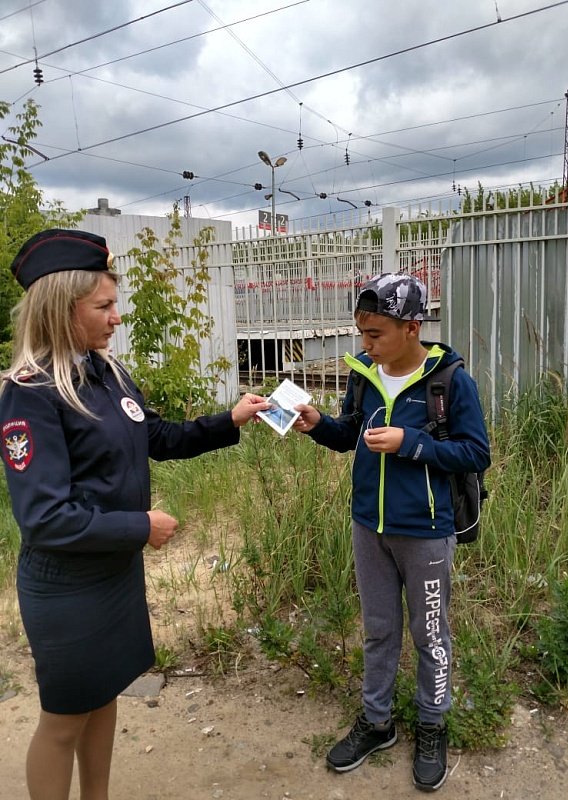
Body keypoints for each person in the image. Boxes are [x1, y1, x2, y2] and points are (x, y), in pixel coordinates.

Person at [0, 228, 270, 800]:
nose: (116, 317)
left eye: (114, 303)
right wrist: (141, 527)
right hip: (67, 586)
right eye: (103, 305)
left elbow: (157, 436)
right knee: (63, 719)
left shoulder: (107, 374)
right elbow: (45, 518)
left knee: (103, 701)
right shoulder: (30, 392)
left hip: (112, 574)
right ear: (61, 308)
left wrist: (230, 420)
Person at [293, 272, 490, 792]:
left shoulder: (450, 381)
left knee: (430, 633)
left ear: (411, 327)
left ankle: (432, 723)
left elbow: (476, 453)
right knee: (379, 630)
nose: (366, 344)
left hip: (425, 532)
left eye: (376, 334)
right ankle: (376, 722)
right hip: (369, 527)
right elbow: (349, 436)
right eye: (362, 333)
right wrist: (317, 424)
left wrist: (411, 442)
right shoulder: (364, 375)